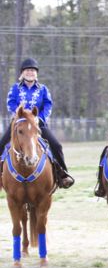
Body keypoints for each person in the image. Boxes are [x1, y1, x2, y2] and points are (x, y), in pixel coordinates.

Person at [0, 58, 74, 189]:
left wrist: (40, 118)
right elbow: (10, 103)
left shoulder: (43, 89)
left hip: (37, 124)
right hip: (19, 124)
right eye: (27, 70)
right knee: (1, 144)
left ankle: (63, 175)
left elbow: (48, 105)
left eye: (33, 70)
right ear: (22, 73)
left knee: (56, 145)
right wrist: (17, 113)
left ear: (36, 74)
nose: (30, 72)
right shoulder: (15, 88)